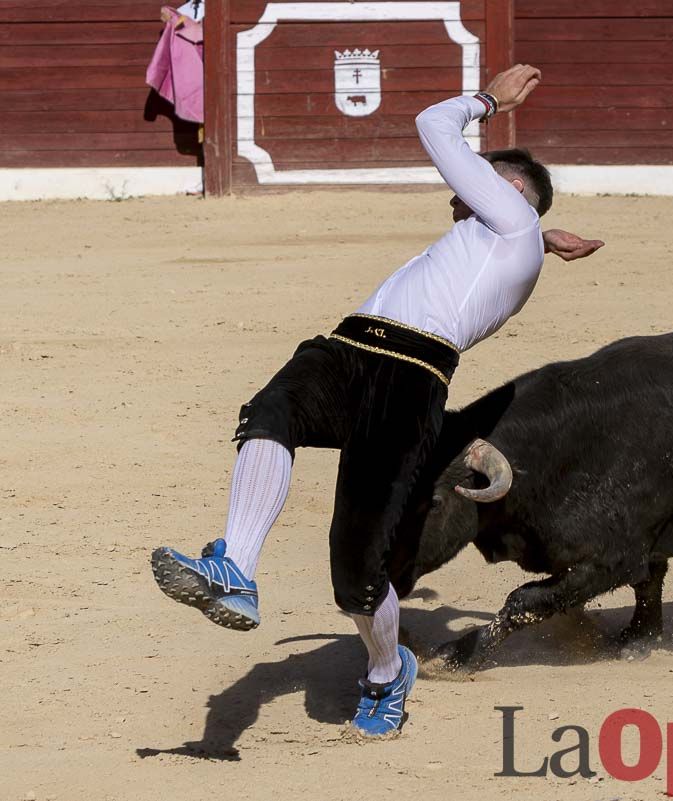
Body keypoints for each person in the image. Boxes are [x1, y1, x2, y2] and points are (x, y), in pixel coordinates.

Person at [151, 64, 603, 739]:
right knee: (270, 412)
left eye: (471, 179)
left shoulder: (511, 222)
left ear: (508, 189)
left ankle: (388, 672)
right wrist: (542, 234)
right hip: (349, 349)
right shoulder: (503, 238)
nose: (454, 195)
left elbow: (431, 124)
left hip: (410, 376)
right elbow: (508, 231)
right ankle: (235, 565)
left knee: (356, 573)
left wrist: (490, 100)